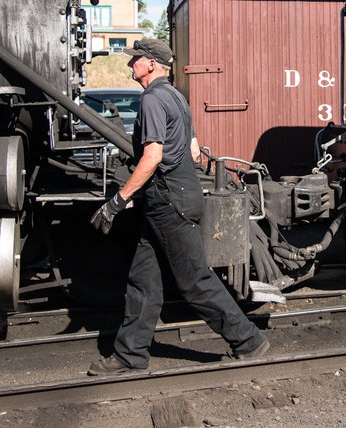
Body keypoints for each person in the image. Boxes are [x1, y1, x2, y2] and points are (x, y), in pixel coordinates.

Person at [87, 38, 269, 375]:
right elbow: (195, 149)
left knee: (195, 281)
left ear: (152, 64)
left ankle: (248, 340)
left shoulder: (153, 99)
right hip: (172, 197)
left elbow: (153, 156)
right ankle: (130, 356)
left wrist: (117, 200)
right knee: (144, 279)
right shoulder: (176, 97)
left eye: (135, 60)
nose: (130, 65)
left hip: (169, 200)